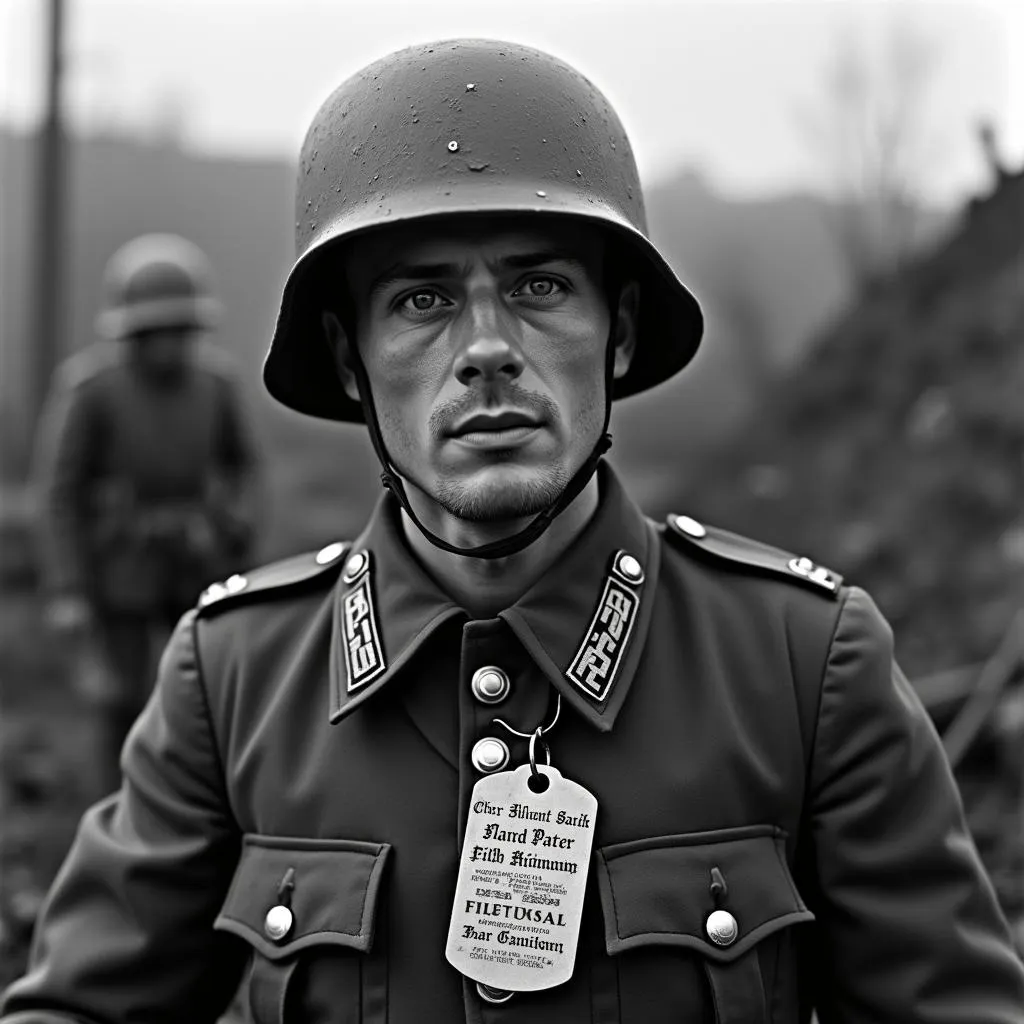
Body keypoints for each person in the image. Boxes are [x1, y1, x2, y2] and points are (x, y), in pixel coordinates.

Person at [3, 40, 1023, 1024]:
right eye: (420, 298)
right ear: (348, 359)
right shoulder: (231, 682)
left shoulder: (805, 666)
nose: (487, 349)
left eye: (539, 288)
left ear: (617, 332)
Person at [30, 233, 261, 797]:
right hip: (120, 565)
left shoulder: (216, 386)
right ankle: (118, 808)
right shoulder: (90, 390)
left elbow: (248, 470)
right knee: (121, 699)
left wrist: (239, 536)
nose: (169, 345)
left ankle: (201, 800)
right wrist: (68, 587)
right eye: (156, 332)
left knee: (207, 689)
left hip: (197, 557)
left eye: (179, 330)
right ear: (131, 332)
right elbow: (59, 493)